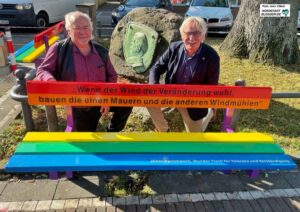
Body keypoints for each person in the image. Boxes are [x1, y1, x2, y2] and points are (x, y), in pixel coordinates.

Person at [36, 11, 132, 132]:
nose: (82, 32)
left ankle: (112, 132)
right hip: (79, 104)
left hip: (101, 98)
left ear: (91, 30)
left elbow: (112, 75)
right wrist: (51, 81)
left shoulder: (101, 51)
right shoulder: (59, 49)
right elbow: (43, 70)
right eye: (76, 28)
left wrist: (107, 99)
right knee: (86, 138)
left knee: (127, 101)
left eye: (86, 27)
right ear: (69, 31)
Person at [147, 16, 220, 132]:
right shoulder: (174, 48)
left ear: (202, 36)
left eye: (196, 33)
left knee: (194, 140)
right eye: (188, 33)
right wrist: (154, 86)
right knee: (149, 100)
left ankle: (209, 112)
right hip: (171, 94)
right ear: (182, 35)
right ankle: (165, 132)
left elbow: (212, 86)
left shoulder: (212, 56)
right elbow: (156, 68)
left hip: (193, 102)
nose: (191, 38)